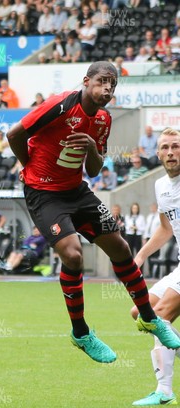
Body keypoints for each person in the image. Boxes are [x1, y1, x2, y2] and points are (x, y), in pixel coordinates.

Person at [7, 61, 180, 364]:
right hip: (44, 194)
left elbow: (94, 169)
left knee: (121, 247)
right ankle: (81, 333)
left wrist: (91, 148)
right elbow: (14, 135)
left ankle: (151, 318)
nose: (107, 90)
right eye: (102, 82)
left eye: (112, 85)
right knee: (73, 255)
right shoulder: (60, 105)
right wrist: (30, 168)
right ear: (86, 81)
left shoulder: (103, 119)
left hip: (77, 190)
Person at [130, 128, 180, 406]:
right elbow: (165, 229)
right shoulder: (160, 185)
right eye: (165, 148)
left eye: (176, 146)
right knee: (140, 311)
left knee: (158, 317)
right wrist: (139, 258)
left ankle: (164, 390)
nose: (170, 152)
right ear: (158, 153)